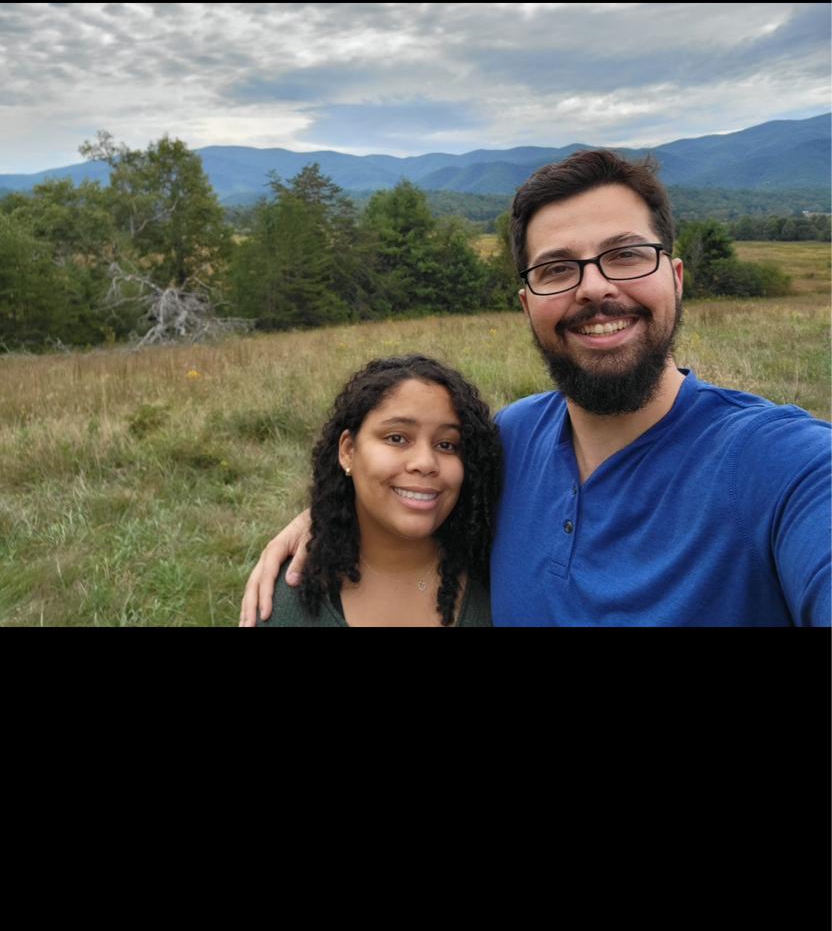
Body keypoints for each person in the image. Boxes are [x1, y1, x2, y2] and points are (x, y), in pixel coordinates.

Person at [240, 150, 831, 628]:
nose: (594, 288)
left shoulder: (784, 466)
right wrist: (327, 513)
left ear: (674, 278)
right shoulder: (508, 442)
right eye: (556, 269)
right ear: (527, 305)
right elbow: (412, 479)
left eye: (626, 255)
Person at [247, 353, 500, 627]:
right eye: (397, 438)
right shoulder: (286, 604)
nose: (425, 463)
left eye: (447, 444)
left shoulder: (501, 581)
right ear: (348, 451)